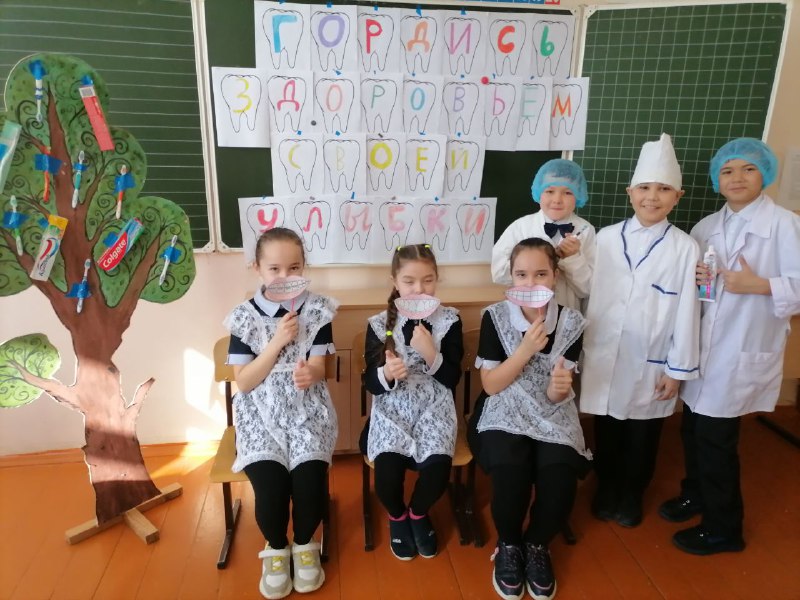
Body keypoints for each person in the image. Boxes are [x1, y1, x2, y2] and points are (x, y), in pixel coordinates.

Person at [659, 138, 800, 555]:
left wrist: (761, 285)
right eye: (727, 171)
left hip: (740, 350)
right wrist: (701, 281)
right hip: (704, 348)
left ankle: (724, 529)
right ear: (716, 180)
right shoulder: (705, 227)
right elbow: (700, 291)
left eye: (748, 169)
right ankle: (695, 494)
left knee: (716, 440)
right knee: (692, 428)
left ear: (765, 174)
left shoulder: (785, 225)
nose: (737, 177)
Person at [580, 133, 701, 528]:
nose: (652, 197)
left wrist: (676, 369)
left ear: (678, 196)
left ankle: (632, 493)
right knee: (608, 427)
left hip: (653, 360)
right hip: (606, 354)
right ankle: (606, 487)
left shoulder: (685, 248)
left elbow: (688, 310)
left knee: (643, 435)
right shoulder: (606, 238)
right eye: (645, 187)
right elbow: (586, 288)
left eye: (663, 189)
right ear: (630, 192)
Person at [469, 237, 589, 600]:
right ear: (511, 277)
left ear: (555, 277)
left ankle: (537, 545)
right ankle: (509, 544)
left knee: (559, 473)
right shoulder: (495, 316)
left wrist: (558, 387)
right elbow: (491, 385)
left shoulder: (571, 322)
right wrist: (524, 350)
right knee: (510, 469)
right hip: (504, 405)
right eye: (521, 275)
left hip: (552, 410)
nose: (531, 283)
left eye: (540, 274)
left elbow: (557, 393)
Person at [224, 227, 338, 599]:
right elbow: (244, 382)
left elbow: (320, 368)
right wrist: (276, 342)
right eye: (274, 269)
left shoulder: (317, 310)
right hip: (259, 415)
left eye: (294, 268)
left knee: (309, 485)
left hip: (308, 411)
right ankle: (276, 547)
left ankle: (304, 544)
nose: (285, 277)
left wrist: (311, 373)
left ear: (304, 267)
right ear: (257, 268)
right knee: (272, 491)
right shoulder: (244, 317)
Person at [360, 244, 463, 561]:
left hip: (435, 407)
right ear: (395, 282)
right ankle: (397, 515)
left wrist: (431, 352)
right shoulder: (380, 324)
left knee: (437, 472)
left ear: (437, 279)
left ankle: (418, 513)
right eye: (409, 281)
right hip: (393, 409)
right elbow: (370, 383)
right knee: (387, 476)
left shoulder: (449, 321)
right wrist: (387, 373)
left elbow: (452, 378)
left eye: (428, 280)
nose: (420, 289)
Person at [491, 159, 596, 310]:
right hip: (525, 311)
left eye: (568, 192)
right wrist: (536, 262)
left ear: (579, 195)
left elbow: (587, 289)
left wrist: (573, 259)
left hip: (567, 311)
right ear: (539, 193)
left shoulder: (586, 230)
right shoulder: (520, 227)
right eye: (549, 191)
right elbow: (498, 273)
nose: (557, 200)